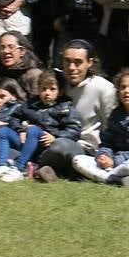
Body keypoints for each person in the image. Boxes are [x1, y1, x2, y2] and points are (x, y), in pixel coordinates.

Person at [36, 40, 116, 180]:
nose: (71, 67)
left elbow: (112, 127)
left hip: (85, 148)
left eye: (78, 62)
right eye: (67, 61)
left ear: (89, 62)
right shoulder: (56, 82)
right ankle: (62, 171)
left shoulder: (104, 88)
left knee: (60, 146)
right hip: (49, 138)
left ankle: (36, 168)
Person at [72, 67, 129, 186]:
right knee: (78, 160)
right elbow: (107, 142)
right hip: (116, 161)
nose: (126, 91)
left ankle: (109, 176)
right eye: (123, 87)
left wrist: (115, 161)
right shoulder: (116, 114)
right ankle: (115, 178)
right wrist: (104, 155)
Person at [0, 69, 81, 182]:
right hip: (26, 141)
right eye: (43, 89)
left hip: (45, 146)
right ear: (38, 89)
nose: (47, 93)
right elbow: (14, 117)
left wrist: (55, 137)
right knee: (3, 132)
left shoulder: (65, 108)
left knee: (34, 130)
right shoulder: (31, 104)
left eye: (52, 89)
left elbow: (74, 130)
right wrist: (20, 130)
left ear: (60, 91)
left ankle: (18, 168)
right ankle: (2, 166)